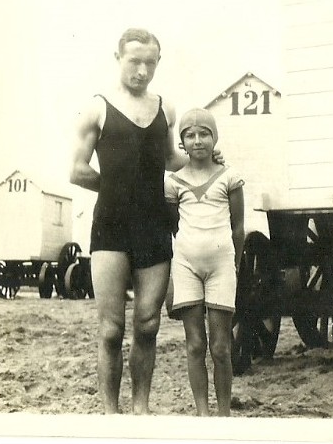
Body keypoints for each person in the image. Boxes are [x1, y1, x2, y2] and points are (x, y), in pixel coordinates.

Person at [69, 28, 222, 415]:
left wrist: (206, 164)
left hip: (155, 226)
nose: (142, 70)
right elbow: (77, 170)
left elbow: (171, 160)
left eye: (150, 63)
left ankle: (140, 409)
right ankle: (109, 414)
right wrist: (119, 190)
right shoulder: (97, 108)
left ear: (158, 62)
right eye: (134, 61)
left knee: (149, 324)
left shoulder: (166, 109)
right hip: (111, 228)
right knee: (110, 329)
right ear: (117, 57)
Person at [164, 108, 245, 417]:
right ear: (182, 142)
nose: (197, 141)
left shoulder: (230, 177)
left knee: (221, 348)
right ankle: (203, 415)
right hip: (186, 268)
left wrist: (232, 263)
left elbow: (238, 227)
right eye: (189, 135)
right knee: (195, 345)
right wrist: (189, 251)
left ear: (215, 138)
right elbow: (175, 226)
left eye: (204, 134)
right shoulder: (173, 183)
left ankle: (223, 414)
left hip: (222, 267)